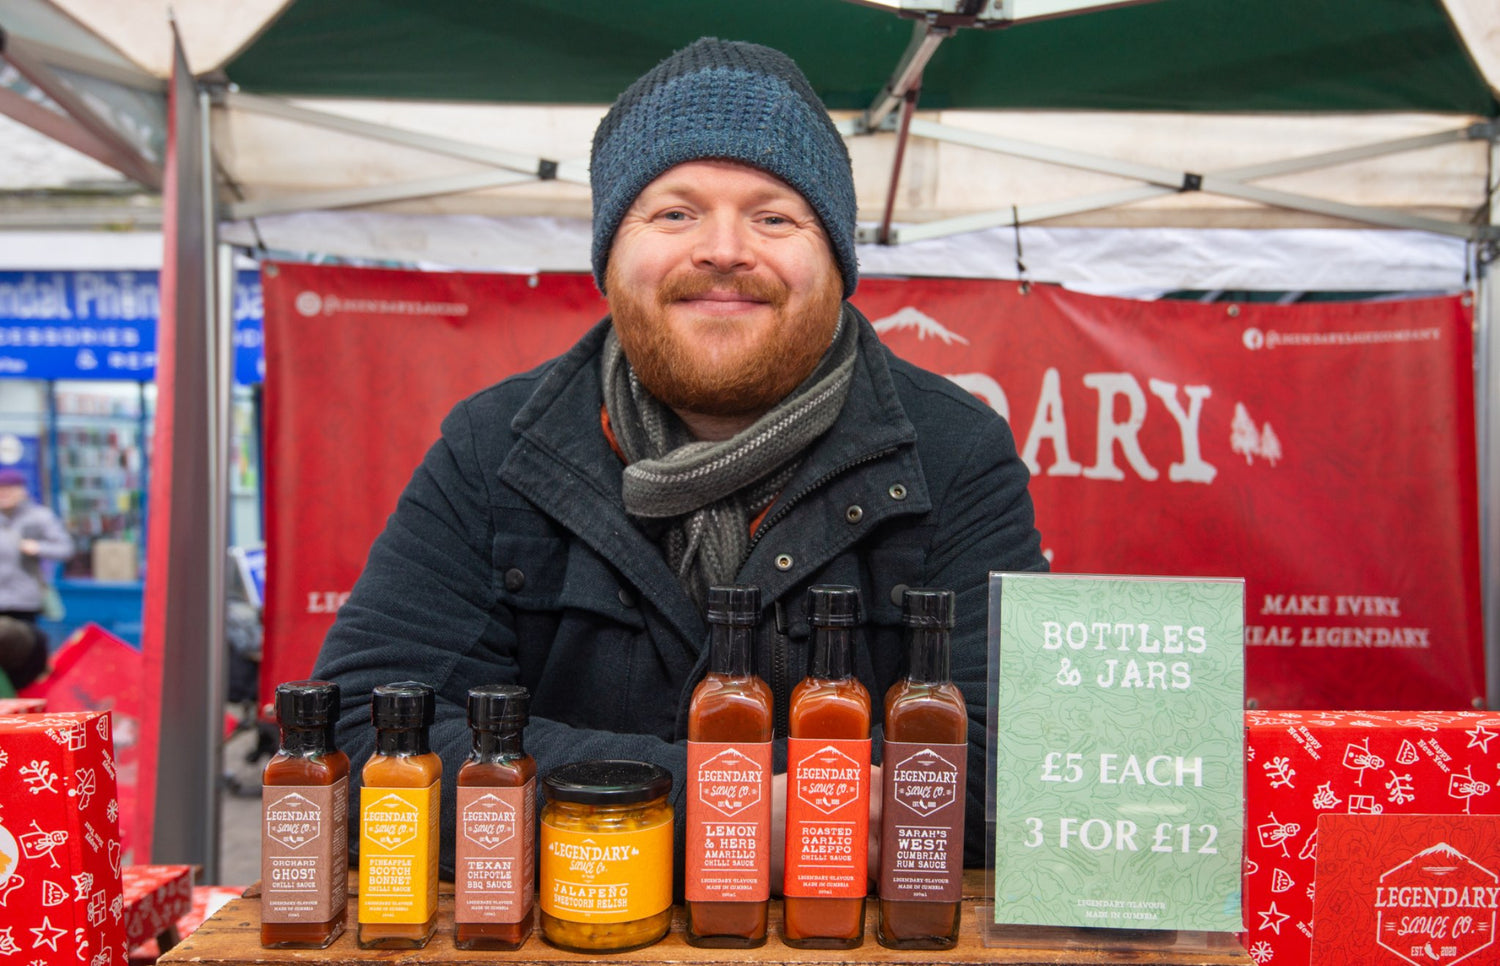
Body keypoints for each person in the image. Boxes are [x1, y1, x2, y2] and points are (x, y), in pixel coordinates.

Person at [312, 37, 1046, 881]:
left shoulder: (953, 452)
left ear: (837, 262)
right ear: (609, 258)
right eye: (674, 213)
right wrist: (719, 815)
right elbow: (363, 738)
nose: (725, 249)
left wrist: (555, 789)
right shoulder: (496, 450)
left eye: (774, 215)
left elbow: (1012, 764)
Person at [0, 467, 72, 690]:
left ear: (22, 491)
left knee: (21, 654)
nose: (5, 494)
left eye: (10, 489)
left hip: (23, 600)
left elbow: (65, 548)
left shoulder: (39, 517)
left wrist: (37, 547)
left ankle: (22, 700)